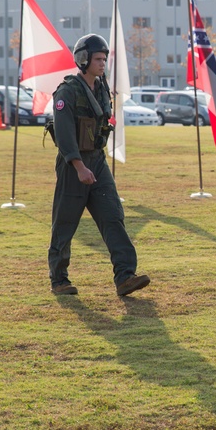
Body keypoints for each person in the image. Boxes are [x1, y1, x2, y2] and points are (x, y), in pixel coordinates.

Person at [47, 34, 151, 296]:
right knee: (65, 223)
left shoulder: (102, 88)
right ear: (84, 60)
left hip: (98, 160)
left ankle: (125, 276)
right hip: (75, 165)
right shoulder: (67, 92)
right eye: (98, 59)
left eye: (104, 59)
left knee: (113, 216)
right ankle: (59, 280)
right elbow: (65, 133)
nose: (103, 63)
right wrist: (79, 167)